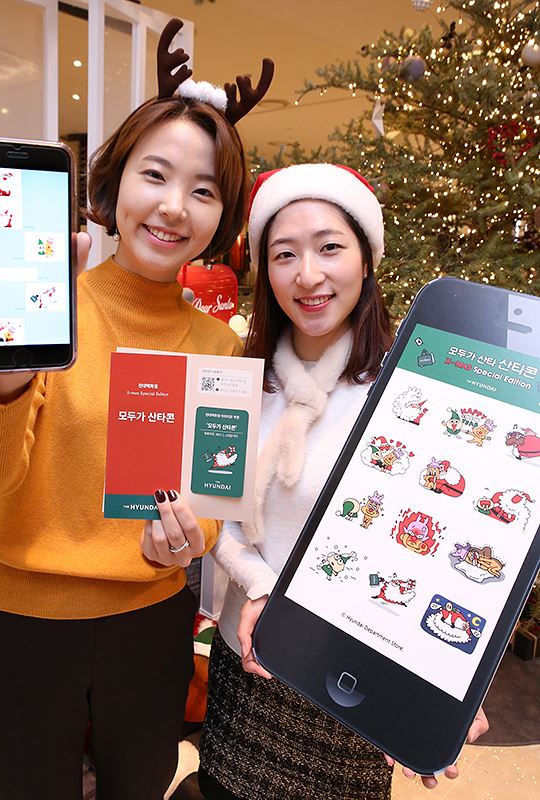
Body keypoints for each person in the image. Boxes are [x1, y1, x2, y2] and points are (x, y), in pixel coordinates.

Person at [0, 19, 273, 800]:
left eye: (203, 190)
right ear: (115, 180)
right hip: (19, 629)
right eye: (155, 174)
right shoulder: (41, 309)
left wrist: (187, 540)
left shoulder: (219, 345)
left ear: (223, 215)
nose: (174, 207)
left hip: (150, 631)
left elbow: (209, 502)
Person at [198, 163, 489, 800]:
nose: (308, 275)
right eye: (284, 254)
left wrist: (445, 680)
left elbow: (437, 538)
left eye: (329, 247)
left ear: (366, 258)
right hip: (248, 665)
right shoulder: (239, 380)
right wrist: (262, 587)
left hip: (354, 677)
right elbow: (215, 512)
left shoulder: (410, 394)